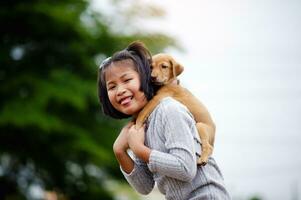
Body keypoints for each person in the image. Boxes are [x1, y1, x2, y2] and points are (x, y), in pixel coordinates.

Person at [97, 41, 231, 200]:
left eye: (127, 80)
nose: (120, 90)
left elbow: (185, 169)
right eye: (111, 87)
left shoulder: (169, 110)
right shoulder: (142, 125)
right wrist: (120, 151)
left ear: (146, 77)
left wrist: (139, 149)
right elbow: (144, 187)